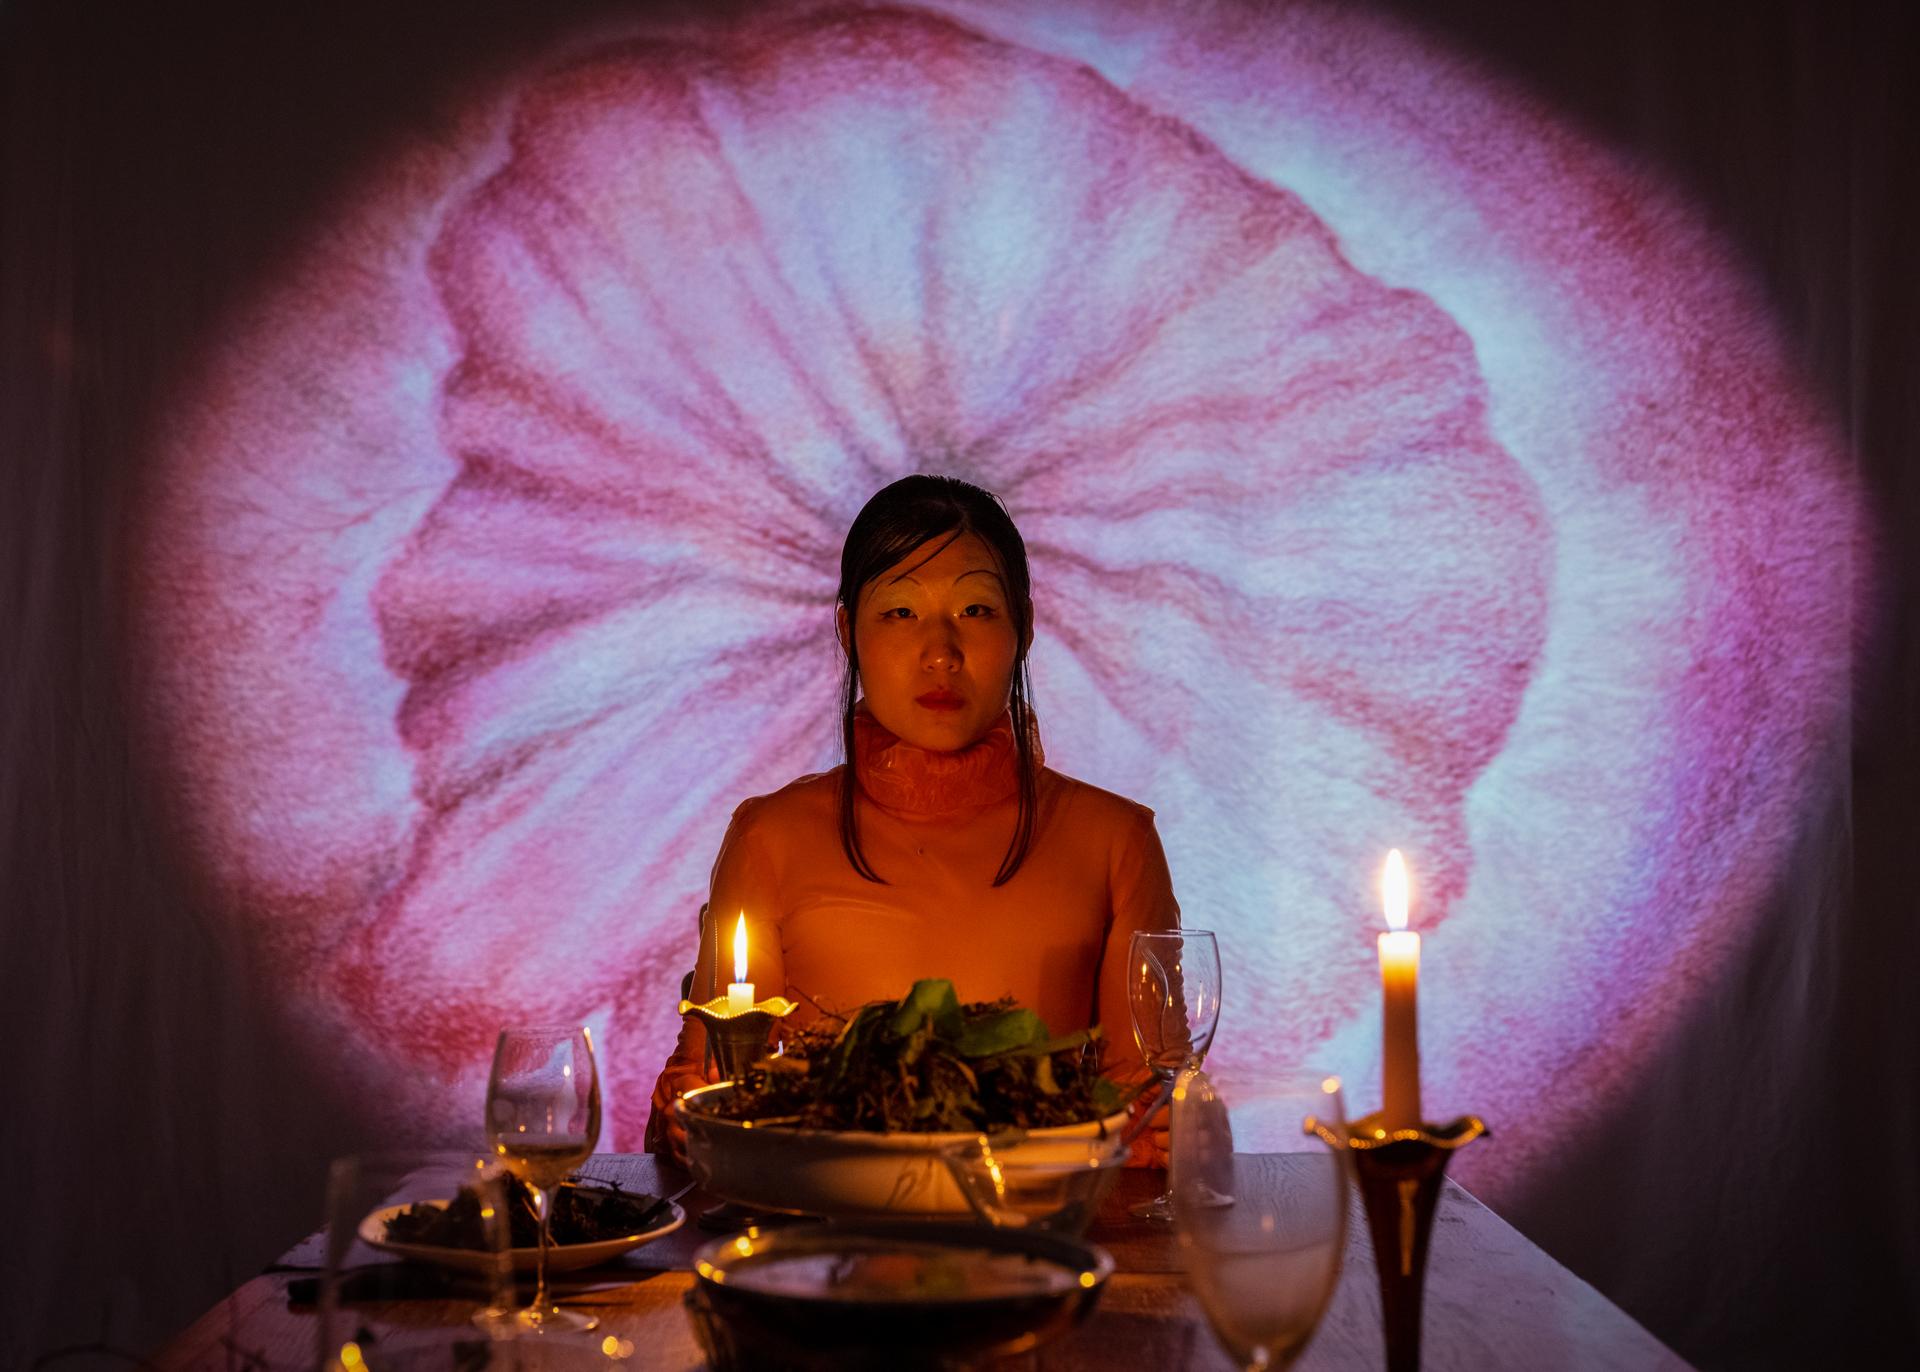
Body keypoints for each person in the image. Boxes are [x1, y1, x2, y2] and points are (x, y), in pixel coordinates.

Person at [646, 474, 1180, 1163]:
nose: (940, 653)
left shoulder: (1115, 843)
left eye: (977, 611)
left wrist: (1155, 1132)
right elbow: (703, 1103)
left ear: (1025, 627)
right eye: (900, 612)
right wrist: (696, 1121)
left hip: (1036, 1239)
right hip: (822, 1246)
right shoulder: (770, 838)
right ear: (848, 630)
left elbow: (1148, 1117)